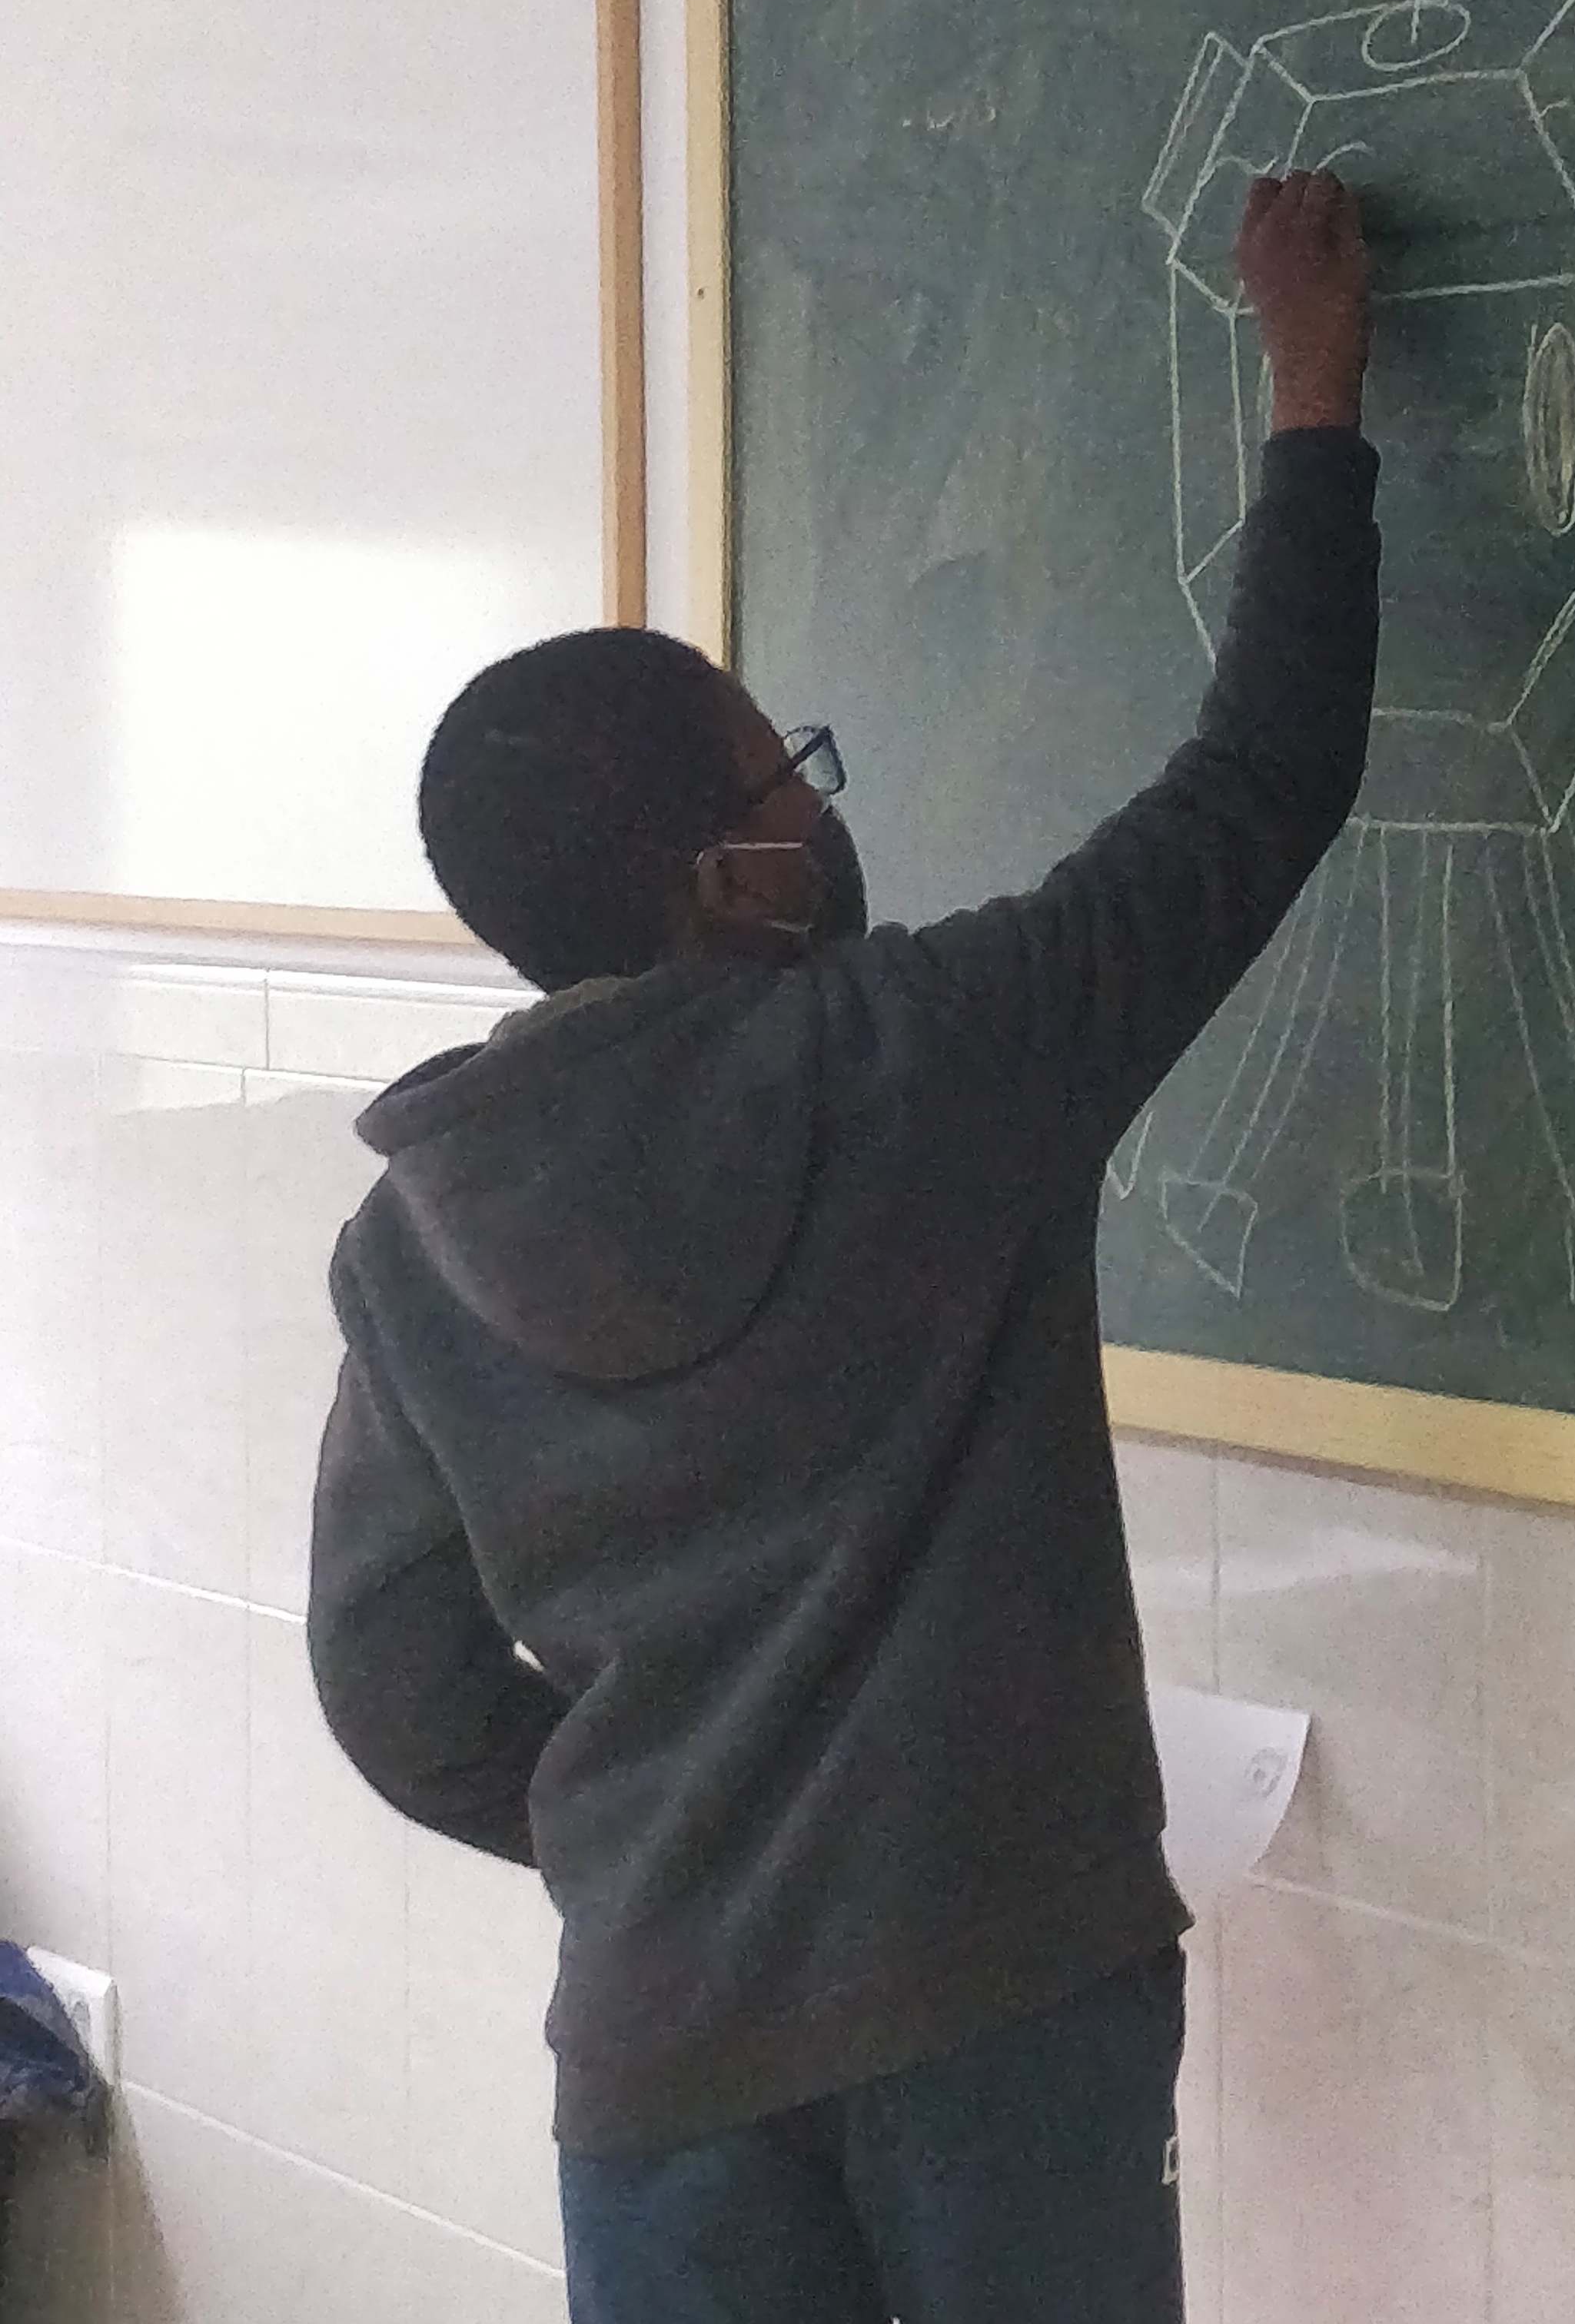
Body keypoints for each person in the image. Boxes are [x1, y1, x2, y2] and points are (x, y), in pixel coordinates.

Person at [306, 173, 1378, 2324]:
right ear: (731, 878)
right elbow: (1255, 788)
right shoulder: (936, 1061)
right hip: (1008, 2001)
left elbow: (393, 1687)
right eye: (781, 775)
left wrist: (650, 1836)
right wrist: (1316, 396)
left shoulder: (411, 1244)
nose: (819, 803)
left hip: (661, 2048)